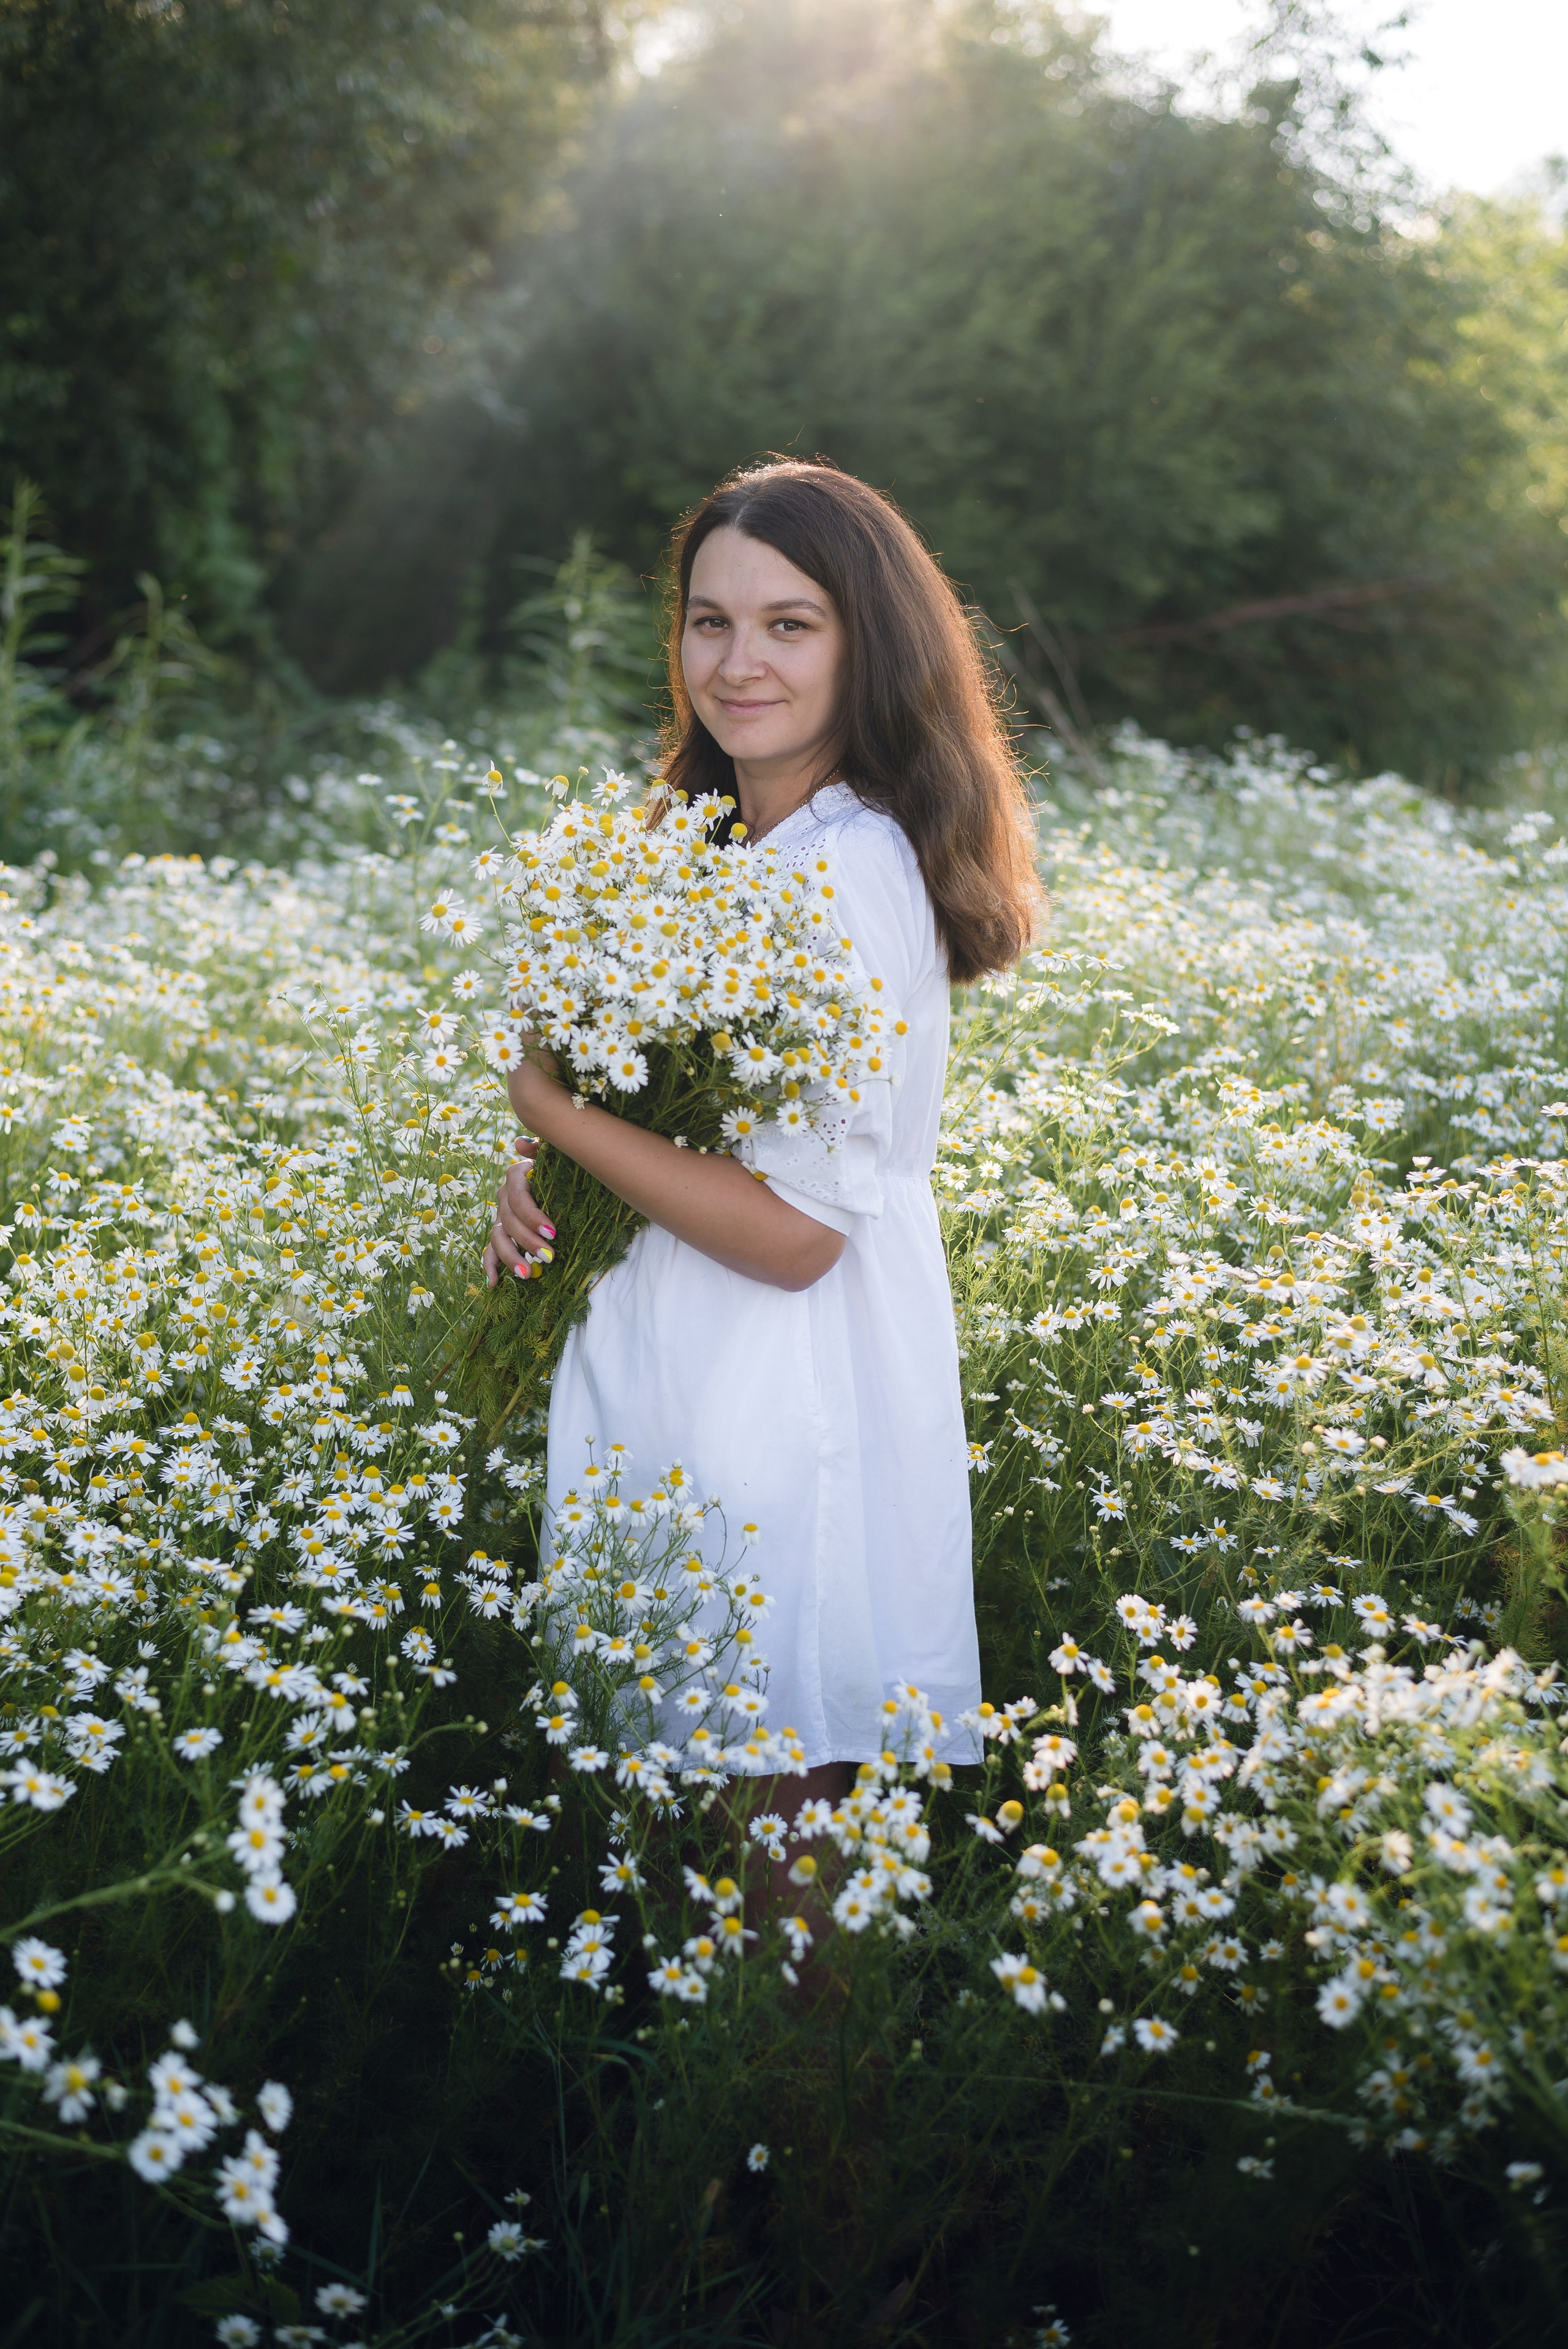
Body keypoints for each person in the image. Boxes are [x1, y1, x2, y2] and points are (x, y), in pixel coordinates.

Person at [483, 458, 1038, 1833]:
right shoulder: (720, 847)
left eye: (789, 624)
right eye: (709, 621)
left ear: (869, 644)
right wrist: (543, 1182)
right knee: (685, 1869)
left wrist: (558, 1114)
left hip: (782, 1396)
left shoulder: (848, 873)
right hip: (681, 1382)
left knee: (775, 1869)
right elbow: (671, 1122)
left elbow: (796, 1237)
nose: (738, 662)